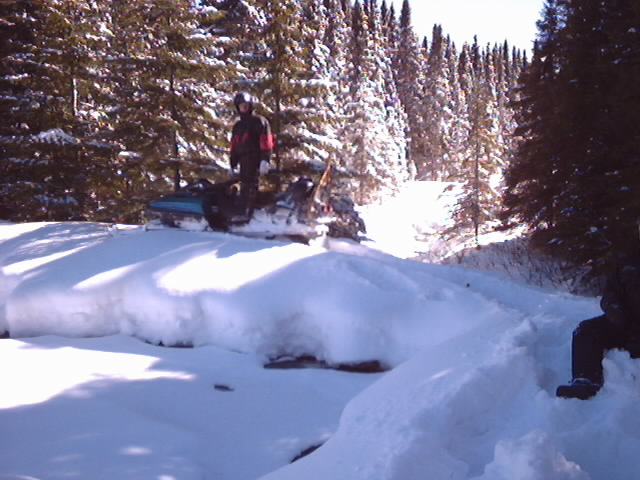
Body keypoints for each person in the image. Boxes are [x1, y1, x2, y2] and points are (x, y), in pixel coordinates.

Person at [556, 233, 640, 400]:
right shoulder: (627, 259)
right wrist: (613, 309)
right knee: (586, 330)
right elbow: (610, 292)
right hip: (625, 322)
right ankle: (585, 381)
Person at [229, 92, 274, 221]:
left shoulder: (259, 121)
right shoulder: (238, 126)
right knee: (244, 185)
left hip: (255, 158)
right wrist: (232, 164)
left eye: (246, 105)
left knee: (251, 186)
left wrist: (265, 159)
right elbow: (234, 146)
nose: (244, 108)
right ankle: (243, 212)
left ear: (250, 106)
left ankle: (247, 215)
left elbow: (266, 141)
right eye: (241, 106)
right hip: (243, 159)